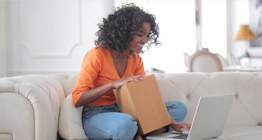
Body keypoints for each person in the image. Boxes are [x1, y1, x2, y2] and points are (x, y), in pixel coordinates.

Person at [72, 3, 191, 140]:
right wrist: (113, 84)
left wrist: (172, 122)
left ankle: (136, 133)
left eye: (147, 35)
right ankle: (144, 131)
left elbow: (144, 97)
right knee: (125, 123)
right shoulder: (97, 55)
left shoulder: (135, 59)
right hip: (97, 114)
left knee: (179, 108)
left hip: (128, 110)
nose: (145, 40)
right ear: (123, 32)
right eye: (140, 35)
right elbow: (78, 98)